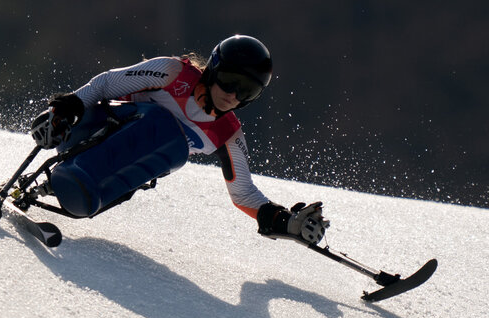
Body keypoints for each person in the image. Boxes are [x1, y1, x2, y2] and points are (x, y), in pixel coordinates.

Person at [30, 35, 329, 244]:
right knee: (165, 127)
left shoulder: (228, 134)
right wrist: (64, 111)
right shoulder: (172, 73)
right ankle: (69, 177)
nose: (233, 95)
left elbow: (243, 193)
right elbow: (106, 84)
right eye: (229, 81)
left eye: (247, 91)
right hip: (86, 137)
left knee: (174, 150)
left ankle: (74, 187)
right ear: (213, 69)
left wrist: (283, 220)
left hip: (109, 179)